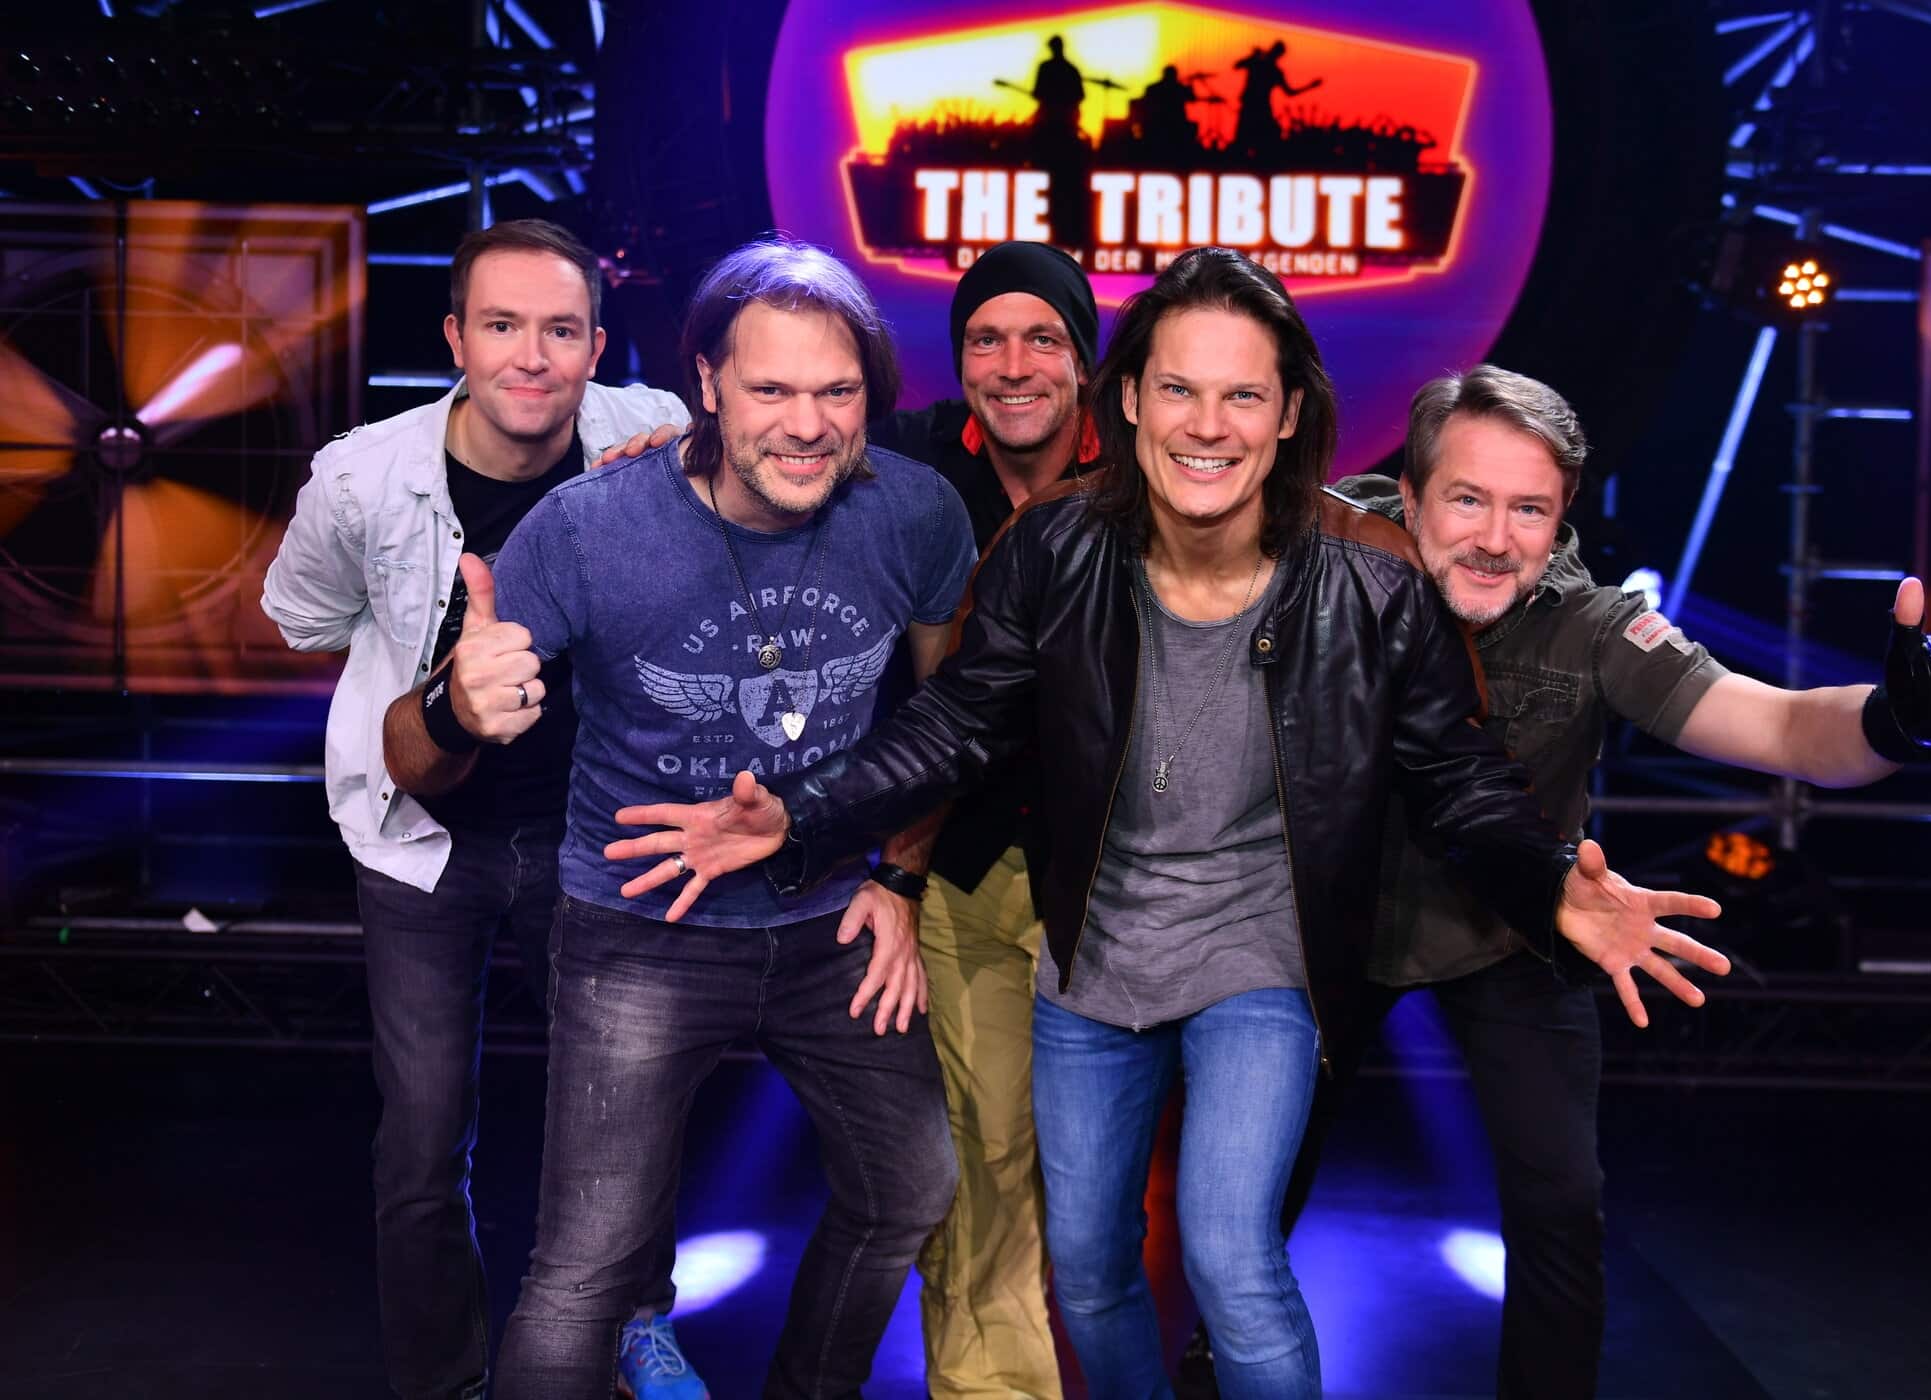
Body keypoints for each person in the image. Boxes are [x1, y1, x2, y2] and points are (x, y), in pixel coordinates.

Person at [602, 248, 1733, 1400]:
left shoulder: (1373, 575)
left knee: (1230, 1254)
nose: (1208, 423)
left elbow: (1457, 775)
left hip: (1262, 961)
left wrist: (1548, 879)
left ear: (1287, 413)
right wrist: (803, 814)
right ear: (1132, 397)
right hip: (1093, 962)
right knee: (1091, 1268)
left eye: (1243, 393)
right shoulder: (1054, 546)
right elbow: (956, 724)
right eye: (1180, 388)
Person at [1183, 363, 1931, 1400]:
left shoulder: (1596, 625)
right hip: (1321, 927)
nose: (1495, 537)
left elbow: (1782, 724)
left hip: (1521, 927)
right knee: (1247, 1196)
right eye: (1467, 499)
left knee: (1562, 1207)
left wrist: (1896, 720)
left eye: (1529, 509)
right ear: (1411, 494)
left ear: (1561, 517)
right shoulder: (1316, 555)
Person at [487, 238, 977, 1400]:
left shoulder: (914, 512)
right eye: (771, 388)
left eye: (837, 391)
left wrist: (899, 874)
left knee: (910, 1184)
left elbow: (951, 717)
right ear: (706, 380)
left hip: (826, 919)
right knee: (586, 1267)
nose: (807, 424)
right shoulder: (588, 527)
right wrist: (459, 704)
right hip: (639, 925)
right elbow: (434, 739)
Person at [260, 218, 703, 1400]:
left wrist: (676, 473)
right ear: (456, 337)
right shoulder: (364, 479)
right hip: (423, 843)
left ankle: (636, 1329)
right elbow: (301, 616)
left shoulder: (655, 433)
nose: (532, 356)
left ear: (597, 346)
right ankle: (442, 1380)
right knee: (421, 1137)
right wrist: (421, 674)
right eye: (503, 325)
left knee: (625, 1106)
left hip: (593, 834)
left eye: (561, 329)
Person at [874, 240, 1098, 1399]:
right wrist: (661, 439)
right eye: (986, 339)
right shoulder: (906, 463)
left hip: (1120, 879)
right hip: (959, 864)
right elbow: (765, 448)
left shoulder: (1150, 467)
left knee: (1105, 1188)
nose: (1013, 365)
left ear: (1085, 359)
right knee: (985, 1162)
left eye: (1042, 338)